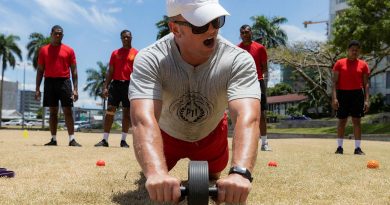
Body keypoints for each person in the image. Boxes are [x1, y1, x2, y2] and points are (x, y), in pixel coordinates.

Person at [129, 0, 261, 204]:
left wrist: (240, 173)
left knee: (213, 177)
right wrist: (156, 173)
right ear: (175, 29)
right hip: (166, 138)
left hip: (211, 136)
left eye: (216, 21)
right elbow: (142, 118)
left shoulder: (238, 60)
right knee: (153, 182)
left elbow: (248, 117)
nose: (211, 30)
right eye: (200, 24)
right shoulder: (150, 59)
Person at [35, 25, 82, 147]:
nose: (58, 35)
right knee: (53, 112)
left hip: (64, 82)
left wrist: (75, 89)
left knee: (67, 110)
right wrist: (37, 88)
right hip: (49, 82)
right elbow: (40, 70)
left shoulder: (69, 50)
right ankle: (53, 139)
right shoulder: (44, 50)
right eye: (56, 33)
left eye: (60, 34)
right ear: (51, 34)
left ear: (63, 35)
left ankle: (72, 139)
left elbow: (74, 70)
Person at [94, 30, 138, 148]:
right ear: (121, 38)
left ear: (131, 38)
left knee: (126, 114)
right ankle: (104, 140)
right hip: (116, 85)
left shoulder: (136, 53)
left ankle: (123, 141)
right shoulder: (115, 53)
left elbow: (138, 72)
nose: (126, 39)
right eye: (123, 37)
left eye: (128, 37)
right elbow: (110, 71)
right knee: (110, 111)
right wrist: (105, 87)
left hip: (129, 85)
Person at [332, 40, 370, 155]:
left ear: (359, 51)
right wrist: (334, 98)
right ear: (348, 50)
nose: (354, 52)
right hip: (342, 94)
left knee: (356, 121)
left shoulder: (363, 65)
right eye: (352, 50)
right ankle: (339, 147)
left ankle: (357, 148)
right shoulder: (339, 63)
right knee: (342, 121)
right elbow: (334, 82)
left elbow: (366, 84)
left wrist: (367, 100)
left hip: (357, 94)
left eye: (357, 50)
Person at [238, 24, 272, 151]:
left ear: (251, 32)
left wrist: (256, 76)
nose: (245, 34)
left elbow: (265, 68)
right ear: (240, 34)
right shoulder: (237, 49)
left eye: (247, 32)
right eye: (242, 32)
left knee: (262, 114)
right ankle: (245, 143)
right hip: (243, 84)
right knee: (243, 114)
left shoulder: (260, 48)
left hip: (258, 82)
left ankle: (264, 143)